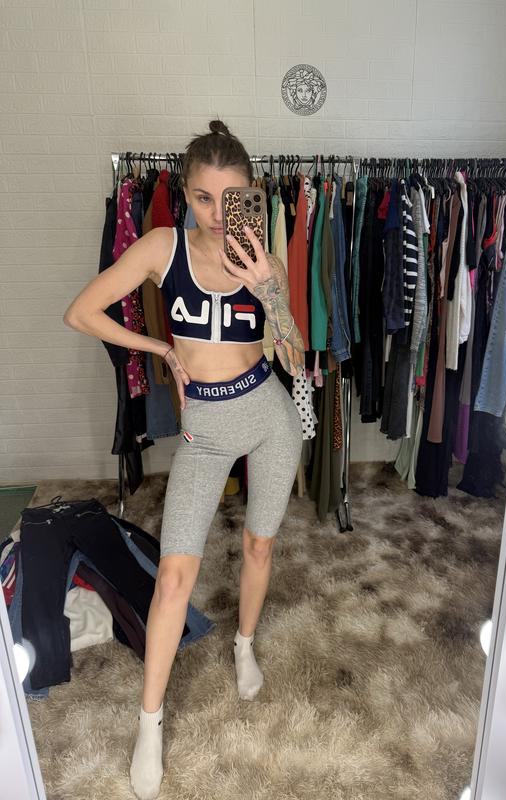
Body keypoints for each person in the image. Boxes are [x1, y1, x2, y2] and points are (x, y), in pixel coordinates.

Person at [63, 119, 305, 800]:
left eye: (230, 199)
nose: (216, 213)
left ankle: (244, 644)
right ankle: (150, 721)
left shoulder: (263, 255)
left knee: (259, 546)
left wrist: (269, 287)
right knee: (174, 578)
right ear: (185, 194)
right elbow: (81, 313)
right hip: (206, 432)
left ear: (251, 196)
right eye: (202, 197)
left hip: (269, 419)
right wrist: (160, 349)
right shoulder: (162, 247)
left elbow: (294, 357)